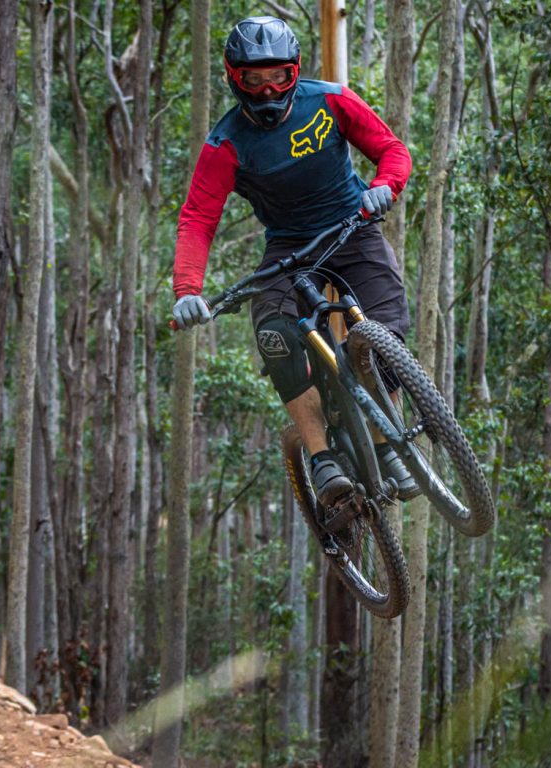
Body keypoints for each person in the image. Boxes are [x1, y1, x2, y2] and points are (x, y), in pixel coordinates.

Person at [172, 15, 418, 508]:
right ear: (232, 77)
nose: (267, 92)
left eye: (279, 78)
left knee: (382, 337)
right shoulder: (226, 144)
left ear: (295, 71)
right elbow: (198, 218)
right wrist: (187, 291)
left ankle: (387, 442)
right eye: (253, 81)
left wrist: (383, 188)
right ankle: (322, 456)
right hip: (288, 251)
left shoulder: (329, 100)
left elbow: (391, 151)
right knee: (276, 336)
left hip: (353, 228)